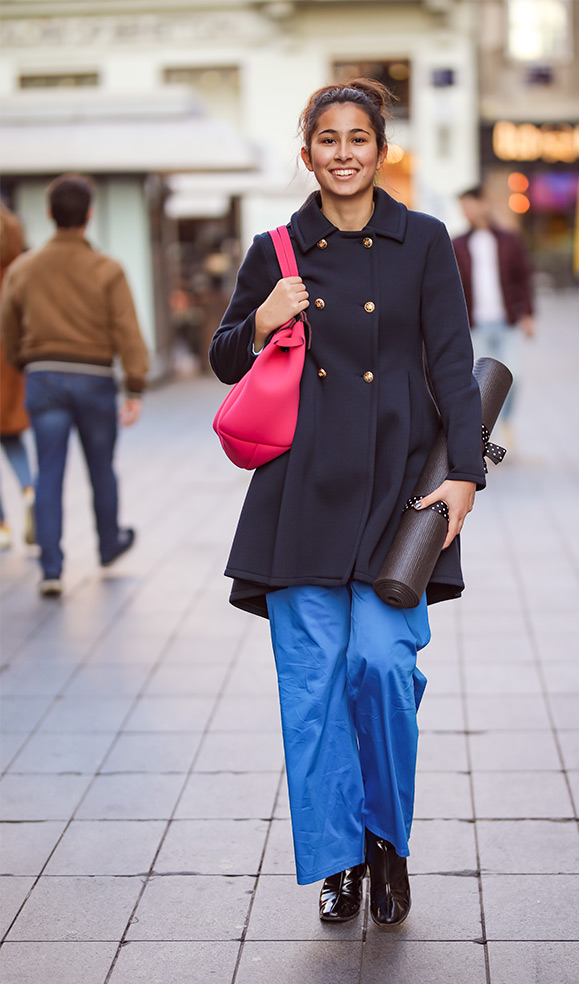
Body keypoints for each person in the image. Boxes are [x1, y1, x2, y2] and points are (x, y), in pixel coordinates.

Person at [209, 79, 485, 928]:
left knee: (381, 667)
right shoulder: (278, 248)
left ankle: (385, 840)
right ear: (306, 154)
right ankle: (338, 863)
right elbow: (224, 360)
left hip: (403, 492)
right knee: (312, 688)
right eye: (325, 139)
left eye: (357, 138)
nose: (342, 153)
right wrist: (261, 318)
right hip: (301, 498)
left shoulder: (426, 241)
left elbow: (453, 364)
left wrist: (466, 476)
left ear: (381, 148)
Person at [0, 174, 149, 597]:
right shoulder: (108, 268)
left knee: (48, 471)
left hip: (43, 377)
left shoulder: (24, 269)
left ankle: (51, 567)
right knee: (101, 468)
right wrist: (135, 386)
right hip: (95, 379)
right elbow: (127, 330)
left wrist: (23, 363)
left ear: (48, 214)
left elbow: (8, 329)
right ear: (89, 214)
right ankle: (108, 544)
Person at [452, 184, 535, 446]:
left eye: (470, 204)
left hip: (506, 320)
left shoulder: (509, 240)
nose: (467, 211)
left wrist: (528, 314)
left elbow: (523, 278)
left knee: (515, 376)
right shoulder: (457, 244)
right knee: (480, 384)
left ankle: (506, 419)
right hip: (474, 324)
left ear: (483, 203)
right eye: (463, 207)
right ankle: (489, 437)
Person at [0, 202, 35, 550]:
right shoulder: (18, 270)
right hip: (11, 365)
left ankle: (1, 527)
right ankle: (28, 490)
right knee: (11, 440)